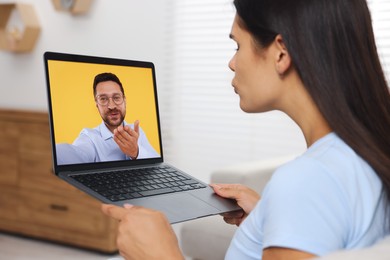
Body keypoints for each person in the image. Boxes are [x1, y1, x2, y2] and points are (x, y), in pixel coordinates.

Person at [101, 0, 390, 259]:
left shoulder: (306, 181)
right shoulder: (364, 153)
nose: (232, 62)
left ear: (280, 53)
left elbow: (312, 194)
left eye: (237, 45)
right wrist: (269, 216)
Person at [56, 72, 159, 164]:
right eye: (103, 99)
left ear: (124, 100)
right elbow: (76, 153)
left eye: (116, 97)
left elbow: (157, 165)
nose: (111, 106)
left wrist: (136, 152)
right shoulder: (89, 138)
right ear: (97, 104)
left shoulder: (137, 132)